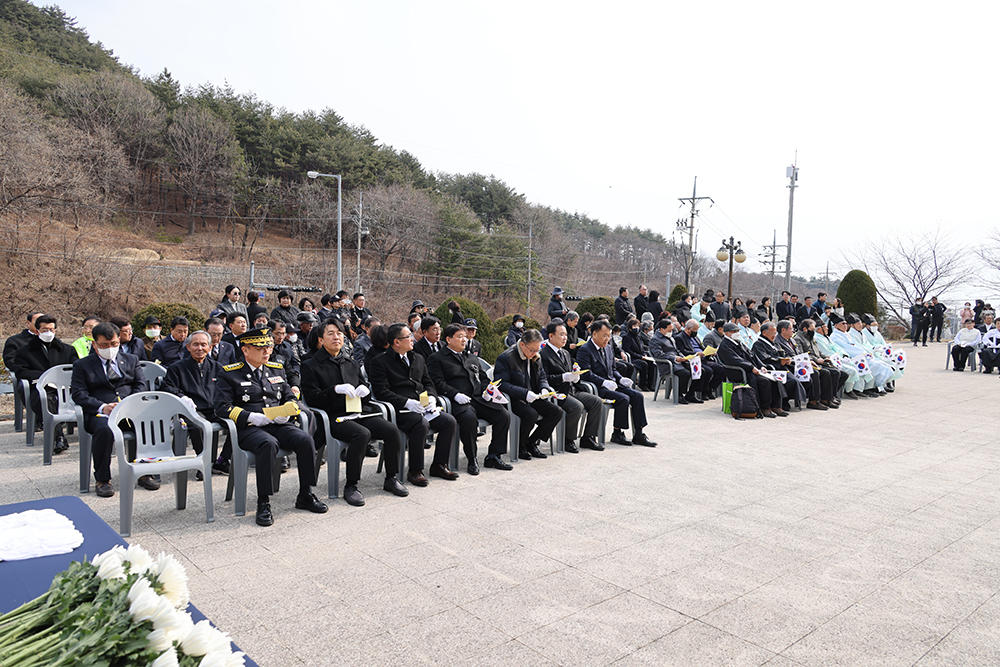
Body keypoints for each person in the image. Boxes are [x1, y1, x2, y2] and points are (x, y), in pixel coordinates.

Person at [215, 327, 327, 526]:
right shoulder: (230, 373)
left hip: (277, 423)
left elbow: (291, 397)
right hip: (249, 428)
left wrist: (287, 411)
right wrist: (251, 416)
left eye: (268, 346)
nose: (267, 351)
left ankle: (305, 493)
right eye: (260, 348)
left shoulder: (276, 368)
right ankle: (264, 502)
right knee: (268, 444)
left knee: (305, 439)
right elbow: (222, 407)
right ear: (245, 350)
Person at [300, 318, 408, 505]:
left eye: (340, 333)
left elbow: (363, 389)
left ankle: (391, 477)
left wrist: (365, 391)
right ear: (320, 339)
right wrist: (334, 390)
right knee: (362, 434)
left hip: (358, 412)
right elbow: (311, 399)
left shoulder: (350, 363)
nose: (336, 337)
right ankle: (351, 485)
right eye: (331, 333)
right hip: (333, 417)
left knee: (391, 429)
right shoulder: (311, 365)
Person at [71, 321, 156, 497]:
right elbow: (78, 393)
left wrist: (129, 403)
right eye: (104, 345)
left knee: (148, 425)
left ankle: (144, 472)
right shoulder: (83, 365)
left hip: (129, 410)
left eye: (114, 344)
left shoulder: (131, 360)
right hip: (101, 412)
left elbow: (140, 385)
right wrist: (102, 407)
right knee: (104, 430)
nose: (109, 348)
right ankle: (103, 479)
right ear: (94, 344)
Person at [368, 323, 459, 486]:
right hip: (399, 410)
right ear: (397, 342)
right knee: (421, 423)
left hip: (422, 406)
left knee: (449, 421)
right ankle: (415, 470)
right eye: (408, 336)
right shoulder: (380, 361)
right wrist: (406, 402)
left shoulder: (417, 358)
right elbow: (381, 391)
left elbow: (428, 382)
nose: (413, 339)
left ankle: (439, 465)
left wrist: (432, 397)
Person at [428, 323, 513, 471]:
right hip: (458, 401)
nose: (464, 340)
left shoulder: (471, 357)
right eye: (460, 337)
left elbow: (483, 377)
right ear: (448, 339)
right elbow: (437, 382)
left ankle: (494, 456)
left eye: (465, 337)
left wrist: (489, 390)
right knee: (469, 419)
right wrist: (455, 394)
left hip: (478, 398)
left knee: (503, 415)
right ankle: (472, 458)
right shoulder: (437, 358)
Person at [577, 320, 656, 445]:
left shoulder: (608, 348)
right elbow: (586, 373)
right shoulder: (585, 350)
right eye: (604, 335)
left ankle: (639, 434)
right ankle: (617, 433)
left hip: (613, 384)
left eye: (609, 335)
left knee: (637, 396)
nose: (607, 339)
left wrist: (620, 378)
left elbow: (613, 369)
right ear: (594, 334)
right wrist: (603, 382)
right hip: (598, 387)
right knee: (623, 399)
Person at [160, 330, 223, 480]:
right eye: (195, 344)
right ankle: (204, 462)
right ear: (188, 347)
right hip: (192, 410)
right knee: (198, 426)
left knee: (238, 422)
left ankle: (222, 461)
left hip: (215, 408)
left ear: (210, 347)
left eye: (203, 345)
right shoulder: (177, 368)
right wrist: (182, 397)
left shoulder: (218, 367)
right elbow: (167, 387)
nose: (199, 348)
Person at [494, 328, 565, 458]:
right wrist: (524, 393)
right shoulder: (506, 357)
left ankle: (531, 443)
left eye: (537, 350)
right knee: (530, 414)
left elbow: (542, 376)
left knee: (556, 411)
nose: (534, 353)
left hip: (533, 396)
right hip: (515, 398)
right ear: (522, 344)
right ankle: (520, 445)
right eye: (531, 350)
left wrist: (544, 388)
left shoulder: (536, 356)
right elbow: (501, 384)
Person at [11, 314, 77, 452]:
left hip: (65, 388)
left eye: (52, 329)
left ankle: (60, 436)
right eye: (44, 329)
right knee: (46, 400)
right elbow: (20, 371)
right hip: (39, 387)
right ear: (37, 331)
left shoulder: (67, 349)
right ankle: (59, 436)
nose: (49, 333)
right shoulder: (25, 351)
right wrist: (45, 376)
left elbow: (76, 368)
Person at [540, 321, 604, 451]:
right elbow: (544, 378)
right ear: (551, 336)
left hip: (572, 390)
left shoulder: (565, 353)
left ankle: (588, 437)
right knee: (577, 407)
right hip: (558, 392)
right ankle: (568, 440)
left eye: (565, 335)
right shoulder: (543, 354)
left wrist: (575, 376)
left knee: (597, 402)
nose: (565, 338)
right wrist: (563, 377)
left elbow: (571, 373)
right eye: (561, 334)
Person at [717, 322, 786, 418]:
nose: (737, 333)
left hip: (749, 369)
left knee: (774, 379)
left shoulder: (738, 342)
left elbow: (752, 354)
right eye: (734, 331)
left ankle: (775, 406)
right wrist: (751, 367)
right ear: (727, 333)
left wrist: (761, 366)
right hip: (739, 371)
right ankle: (764, 408)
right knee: (764, 382)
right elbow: (735, 360)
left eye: (737, 331)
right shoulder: (725, 345)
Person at [792, 319, 843, 410]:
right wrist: (816, 359)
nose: (813, 331)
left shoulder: (811, 337)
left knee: (836, 372)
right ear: (805, 329)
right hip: (809, 364)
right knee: (824, 373)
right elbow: (801, 354)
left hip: (818, 362)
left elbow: (817, 351)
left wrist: (825, 357)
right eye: (812, 329)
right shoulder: (798, 338)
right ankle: (814, 401)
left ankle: (828, 397)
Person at [649, 319, 701, 404]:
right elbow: (659, 355)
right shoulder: (655, 339)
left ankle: (690, 394)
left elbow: (677, 350)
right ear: (662, 329)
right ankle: (679, 394)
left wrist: (683, 357)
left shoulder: (671, 338)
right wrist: (674, 358)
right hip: (667, 363)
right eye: (669, 330)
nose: (671, 332)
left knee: (699, 370)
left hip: (678, 361)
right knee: (685, 373)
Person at [674, 319, 723, 399]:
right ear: (688, 329)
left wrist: (709, 352)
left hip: (703, 358)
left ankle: (710, 389)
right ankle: (698, 392)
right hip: (692, 360)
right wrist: (696, 354)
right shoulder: (679, 338)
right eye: (695, 330)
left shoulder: (695, 337)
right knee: (707, 371)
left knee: (720, 369)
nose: (696, 332)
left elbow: (702, 347)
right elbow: (682, 351)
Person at [621, 318, 654, 391]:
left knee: (651, 363)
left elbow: (641, 348)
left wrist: (644, 354)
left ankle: (650, 384)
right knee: (643, 364)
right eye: (634, 326)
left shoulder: (638, 336)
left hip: (640, 356)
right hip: (633, 358)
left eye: (637, 326)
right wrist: (640, 356)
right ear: (630, 328)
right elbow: (627, 350)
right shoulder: (626, 337)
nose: (636, 328)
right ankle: (642, 384)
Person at [268, 321, 301, 391]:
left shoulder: (287, 346)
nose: (281, 337)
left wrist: (295, 380)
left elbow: (294, 363)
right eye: (278, 333)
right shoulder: (264, 351)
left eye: (283, 334)